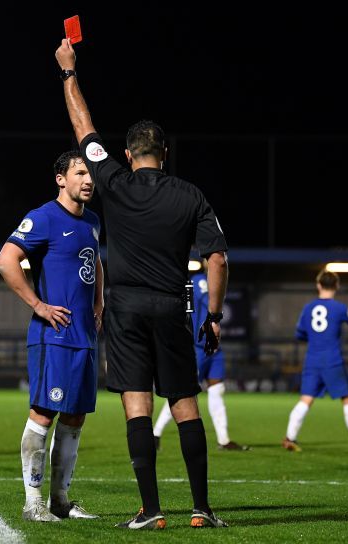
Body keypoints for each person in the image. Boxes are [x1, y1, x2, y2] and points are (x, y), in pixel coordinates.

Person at [56, 39, 229, 530]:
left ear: (128, 154)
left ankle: (151, 510)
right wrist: (212, 316)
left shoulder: (113, 180)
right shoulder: (191, 196)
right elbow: (216, 258)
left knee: (136, 402)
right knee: (184, 404)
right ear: (165, 154)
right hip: (173, 307)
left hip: (124, 309)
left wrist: (69, 72)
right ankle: (201, 508)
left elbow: (82, 126)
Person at [0, 150, 103, 522]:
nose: (88, 180)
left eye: (91, 174)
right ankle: (32, 502)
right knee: (44, 414)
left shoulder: (92, 220)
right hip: (53, 336)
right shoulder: (42, 218)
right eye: (80, 173)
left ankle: (60, 500)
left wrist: (100, 303)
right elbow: (6, 260)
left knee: (75, 419)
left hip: (84, 336)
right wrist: (38, 305)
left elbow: (95, 261)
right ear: (61, 179)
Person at [154, 264, 248, 452]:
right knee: (182, 393)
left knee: (217, 390)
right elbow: (210, 305)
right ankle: (155, 433)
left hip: (214, 347)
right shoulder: (200, 281)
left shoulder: (214, 282)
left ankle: (224, 439)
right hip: (197, 346)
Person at [282, 269, 348, 453]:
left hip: (312, 360)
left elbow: (299, 333)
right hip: (333, 361)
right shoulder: (339, 308)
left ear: (318, 285)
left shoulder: (308, 308)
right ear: (336, 286)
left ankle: (289, 437)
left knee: (305, 399)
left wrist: (316, 338)